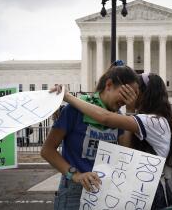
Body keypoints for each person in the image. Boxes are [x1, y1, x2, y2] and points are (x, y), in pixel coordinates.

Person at [60, 73, 172, 209]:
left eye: (135, 91)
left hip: (151, 194)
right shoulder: (149, 120)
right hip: (142, 193)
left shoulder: (154, 121)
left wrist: (68, 97)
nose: (128, 95)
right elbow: (126, 150)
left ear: (144, 94)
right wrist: (130, 109)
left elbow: (105, 118)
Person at [41, 60, 139, 210]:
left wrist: (131, 111)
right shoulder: (74, 110)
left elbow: (127, 152)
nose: (125, 101)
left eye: (131, 97)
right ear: (109, 85)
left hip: (105, 189)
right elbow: (47, 150)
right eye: (125, 94)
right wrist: (76, 175)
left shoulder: (118, 116)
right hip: (74, 191)